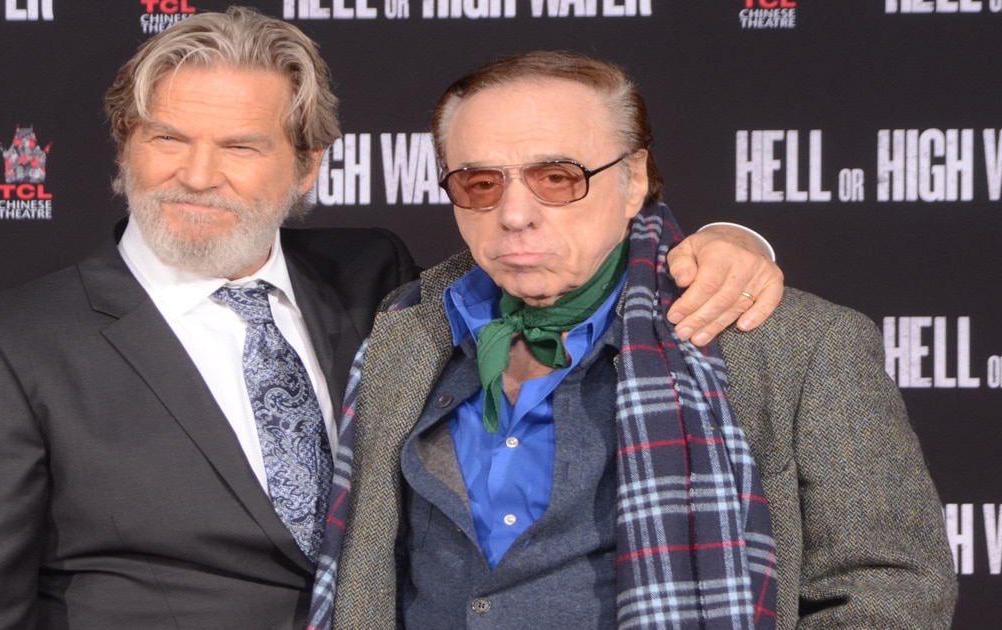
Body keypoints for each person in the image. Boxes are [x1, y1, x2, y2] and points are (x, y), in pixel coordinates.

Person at [0, 10, 782, 630]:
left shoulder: (381, 284)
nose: (197, 176)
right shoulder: (4, 347)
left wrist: (727, 240)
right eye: (166, 139)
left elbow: (557, 247)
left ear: (308, 164)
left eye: (240, 146)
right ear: (126, 147)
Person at [324, 51, 957, 629]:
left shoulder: (794, 343)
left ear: (632, 179)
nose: (514, 214)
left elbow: (889, 587)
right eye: (480, 183)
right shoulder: (405, 331)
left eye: (557, 177)